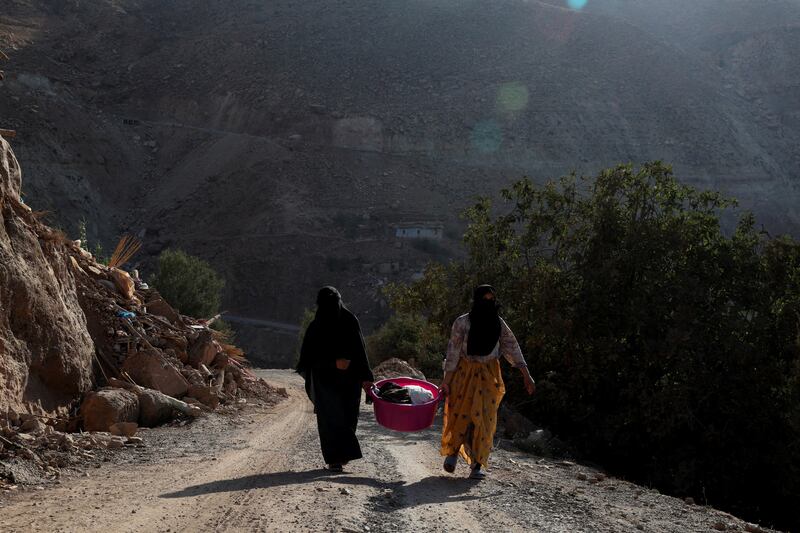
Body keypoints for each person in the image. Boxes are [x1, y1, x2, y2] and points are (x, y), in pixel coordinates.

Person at [440, 285, 535, 479]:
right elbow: (453, 353)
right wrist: (446, 382)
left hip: (489, 377)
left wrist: (526, 375)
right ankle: (452, 452)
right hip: (464, 374)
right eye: (485, 299)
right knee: (460, 414)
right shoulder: (463, 323)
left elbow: (512, 348)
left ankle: (477, 464)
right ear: (476, 301)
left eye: (491, 300)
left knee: (483, 420)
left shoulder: (499, 324)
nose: (488, 304)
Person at [296, 286, 374, 472]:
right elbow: (308, 359)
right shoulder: (316, 327)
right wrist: (333, 363)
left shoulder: (350, 321)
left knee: (348, 418)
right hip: (325, 381)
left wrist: (367, 379)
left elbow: (360, 351)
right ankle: (334, 459)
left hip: (351, 381)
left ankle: (343, 455)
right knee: (330, 419)